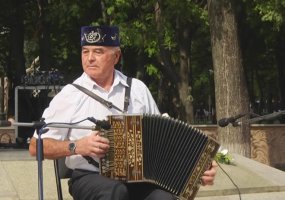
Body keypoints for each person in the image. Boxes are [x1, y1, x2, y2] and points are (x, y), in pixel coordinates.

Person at [29, 25, 218, 200]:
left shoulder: (137, 89)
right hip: (90, 177)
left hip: (138, 178)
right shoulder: (70, 95)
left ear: (116, 56)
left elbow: (165, 143)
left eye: (98, 52)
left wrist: (197, 169)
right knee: (115, 192)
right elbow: (35, 146)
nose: (90, 58)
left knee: (165, 198)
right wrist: (77, 146)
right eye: (85, 51)